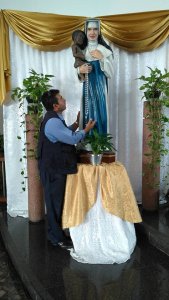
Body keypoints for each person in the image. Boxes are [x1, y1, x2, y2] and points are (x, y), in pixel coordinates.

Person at [38, 89, 95, 249]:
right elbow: (71, 139)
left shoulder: (54, 118)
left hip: (53, 168)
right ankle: (56, 238)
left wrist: (76, 124)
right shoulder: (53, 122)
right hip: (52, 170)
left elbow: (62, 134)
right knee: (55, 204)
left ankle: (57, 234)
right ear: (56, 106)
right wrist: (86, 130)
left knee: (56, 202)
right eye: (61, 98)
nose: (64, 99)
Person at [74, 19, 114, 134]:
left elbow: (111, 73)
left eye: (95, 29)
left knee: (101, 115)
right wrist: (80, 70)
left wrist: (102, 57)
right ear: (85, 31)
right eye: (89, 29)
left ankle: (101, 143)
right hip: (87, 90)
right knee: (87, 113)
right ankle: (88, 143)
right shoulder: (82, 51)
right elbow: (76, 72)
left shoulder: (105, 50)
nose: (92, 32)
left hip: (100, 89)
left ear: (99, 31)